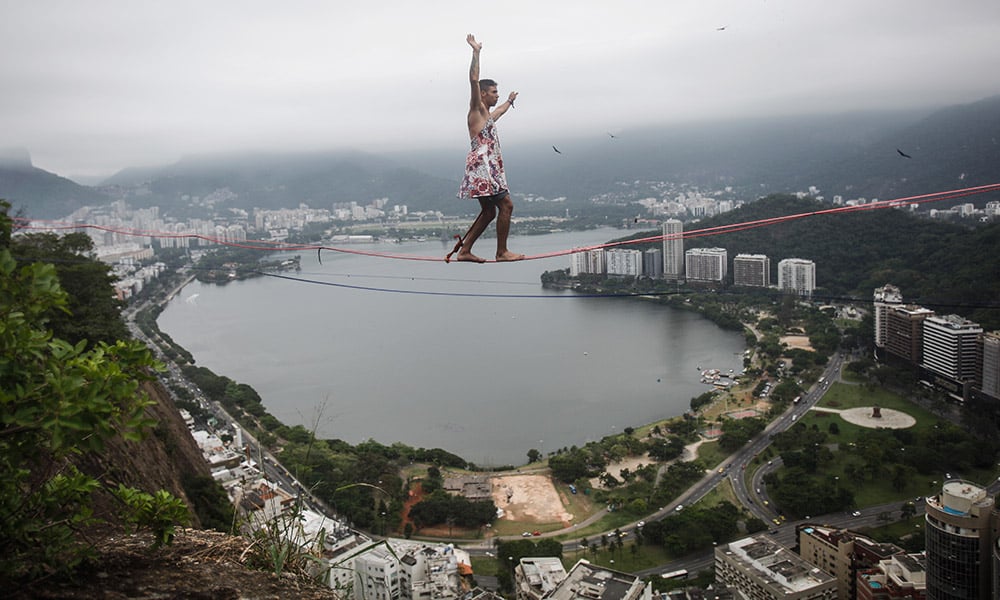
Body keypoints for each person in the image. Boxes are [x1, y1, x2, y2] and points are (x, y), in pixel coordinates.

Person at [453, 34, 524, 263]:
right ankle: (501, 252)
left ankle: (464, 251)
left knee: (488, 212)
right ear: (483, 94)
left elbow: (500, 112)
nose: (497, 95)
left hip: (485, 169)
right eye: (494, 92)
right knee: (506, 205)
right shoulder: (476, 109)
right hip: (484, 170)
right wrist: (476, 51)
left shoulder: (487, 117)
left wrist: (510, 101)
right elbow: (473, 80)